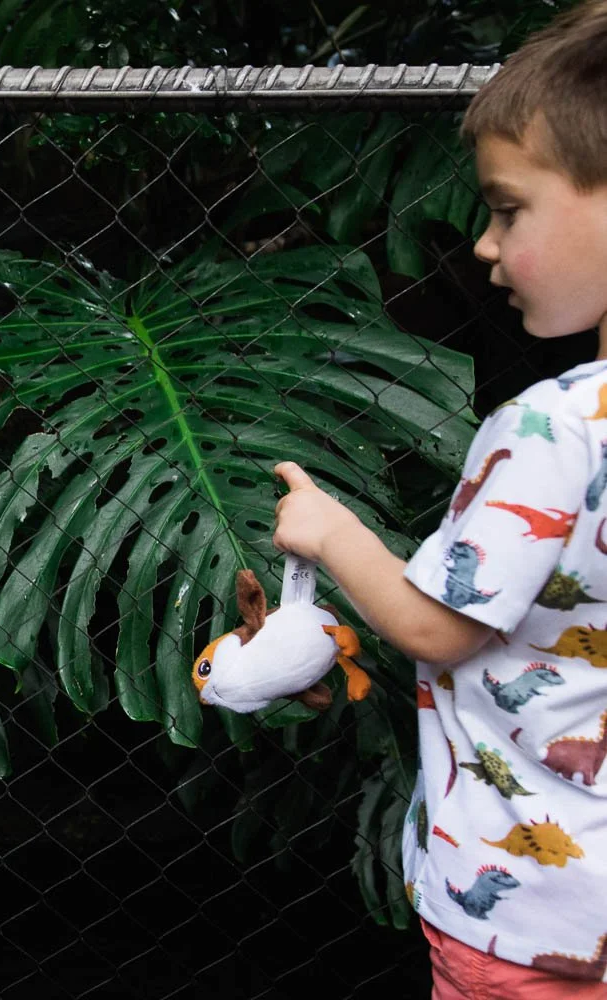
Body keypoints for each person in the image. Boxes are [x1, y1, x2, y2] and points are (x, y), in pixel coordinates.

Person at [271, 2, 607, 996]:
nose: (486, 248)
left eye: (509, 210)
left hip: (526, 917)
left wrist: (331, 530)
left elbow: (439, 625)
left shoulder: (555, 430)